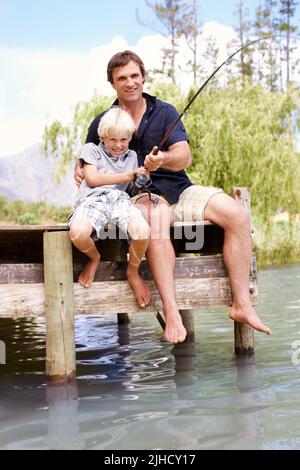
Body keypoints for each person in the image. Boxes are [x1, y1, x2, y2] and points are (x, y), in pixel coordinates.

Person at [75, 50, 271, 343]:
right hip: (138, 195)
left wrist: (162, 159)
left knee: (237, 215)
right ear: (112, 83)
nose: (129, 83)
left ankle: (242, 305)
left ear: (143, 77)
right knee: (156, 218)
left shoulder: (165, 112)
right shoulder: (103, 120)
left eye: (134, 76)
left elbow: (184, 157)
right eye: (121, 78)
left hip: (179, 187)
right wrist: (77, 170)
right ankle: (172, 311)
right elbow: (86, 163)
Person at [69, 107, 151, 309]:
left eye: (124, 140)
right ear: (103, 136)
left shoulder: (131, 155)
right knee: (78, 233)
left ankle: (132, 271)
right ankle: (94, 258)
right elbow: (93, 179)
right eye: (113, 140)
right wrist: (127, 175)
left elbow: (130, 187)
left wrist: (141, 179)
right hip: (93, 199)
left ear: (129, 138)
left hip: (119, 200)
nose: (118, 145)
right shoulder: (91, 150)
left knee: (143, 232)